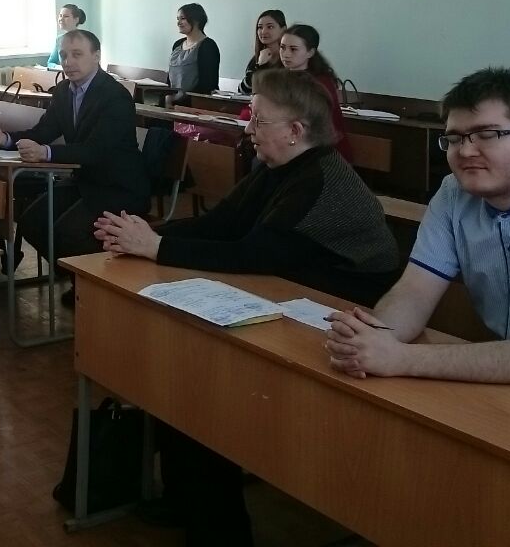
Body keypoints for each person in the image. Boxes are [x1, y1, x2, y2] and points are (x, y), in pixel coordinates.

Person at [94, 68, 400, 545]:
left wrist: (156, 247)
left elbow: (255, 254)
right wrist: (144, 235)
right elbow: (222, 224)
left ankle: (218, 526)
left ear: (295, 130)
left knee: (209, 387)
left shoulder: (320, 177)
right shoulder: (278, 169)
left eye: (258, 119)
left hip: (335, 319)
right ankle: (187, 497)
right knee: (182, 365)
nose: (248, 128)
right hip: (288, 299)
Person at [326, 67, 510, 387]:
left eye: (487, 135)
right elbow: (414, 293)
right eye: (454, 138)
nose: (466, 151)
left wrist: (400, 357)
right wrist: (369, 340)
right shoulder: (453, 193)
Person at [0, 29, 149, 303]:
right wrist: (6, 139)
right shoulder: (63, 92)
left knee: (69, 230)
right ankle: (78, 278)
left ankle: (93, 289)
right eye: (64, 55)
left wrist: (45, 153)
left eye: (77, 54)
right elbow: (43, 131)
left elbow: (96, 150)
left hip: (118, 186)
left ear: (96, 56)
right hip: (85, 180)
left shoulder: (114, 95)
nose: (68, 62)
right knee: (31, 221)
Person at [277, 23, 352, 163]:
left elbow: (307, 122)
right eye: (282, 47)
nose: (285, 54)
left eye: (293, 49)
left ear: (310, 52)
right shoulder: (282, 77)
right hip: (294, 145)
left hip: (324, 153)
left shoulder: (321, 83)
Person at [164, 3, 219, 105]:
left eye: (182, 18)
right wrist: (167, 97)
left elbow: (208, 84)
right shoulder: (177, 44)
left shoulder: (208, 46)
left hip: (195, 105)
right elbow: (169, 79)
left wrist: (180, 101)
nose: (178, 23)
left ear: (196, 20)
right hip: (172, 103)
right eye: (177, 19)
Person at [238, 9, 286, 94]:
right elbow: (243, 91)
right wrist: (260, 65)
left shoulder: (288, 58)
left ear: (283, 29)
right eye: (260, 27)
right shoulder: (257, 59)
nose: (263, 31)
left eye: (270, 27)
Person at [46, 4, 86, 69]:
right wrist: (59, 67)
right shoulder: (59, 39)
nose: (61, 19)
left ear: (76, 20)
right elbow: (50, 63)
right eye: (60, 16)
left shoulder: (85, 39)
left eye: (66, 16)